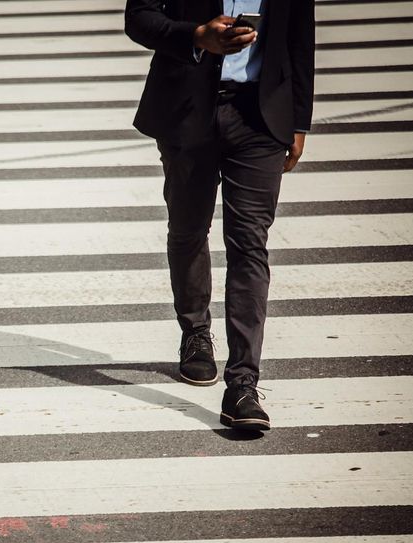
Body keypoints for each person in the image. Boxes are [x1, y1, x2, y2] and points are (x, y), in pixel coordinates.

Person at [124, 0, 315, 430]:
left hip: (261, 117)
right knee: (189, 228)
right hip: (186, 110)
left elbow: (301, 36)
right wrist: (196, 37)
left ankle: (243, 384)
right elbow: (138, 17)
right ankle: (195, 331)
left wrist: (299, 119)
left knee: (249, 244)